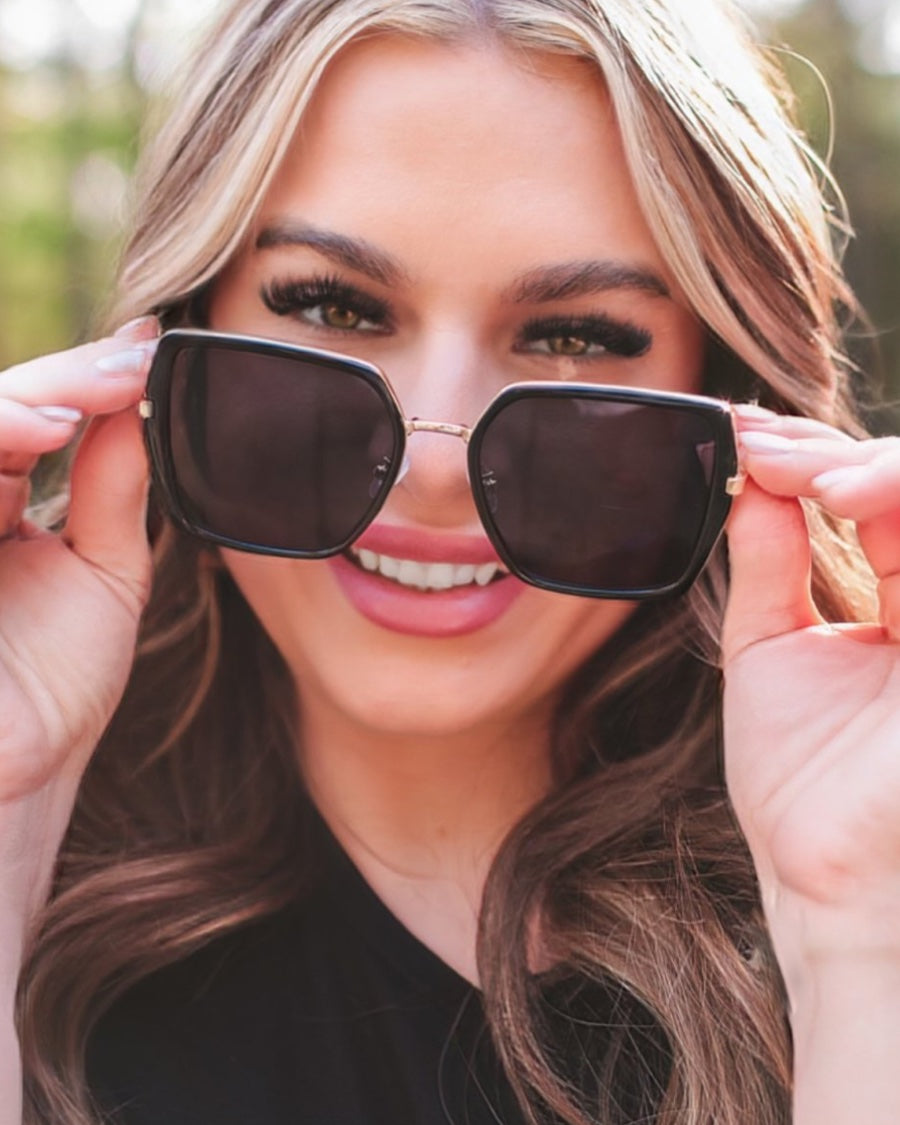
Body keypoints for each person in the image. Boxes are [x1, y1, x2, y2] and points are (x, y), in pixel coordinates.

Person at [2, 0, 900, 1122]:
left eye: (575, 335)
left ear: (721, 402)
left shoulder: (864, 884)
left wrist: (860, 940)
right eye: (332, 306)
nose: (436, 460)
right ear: (176, 335)